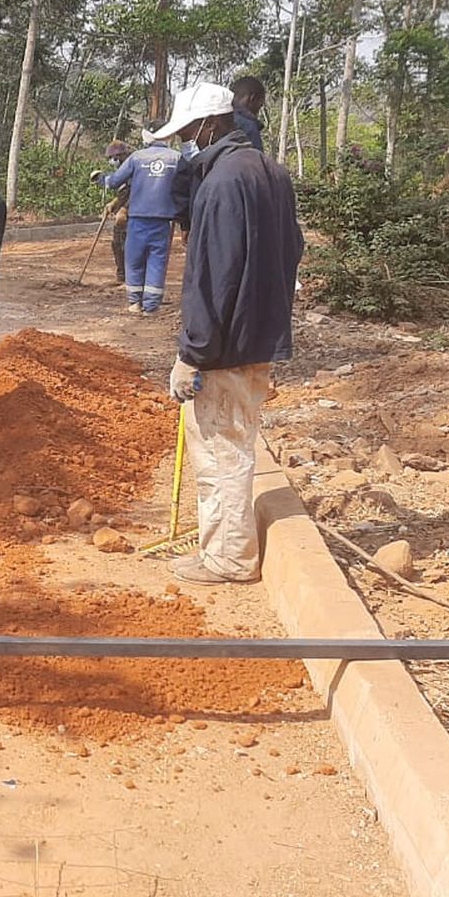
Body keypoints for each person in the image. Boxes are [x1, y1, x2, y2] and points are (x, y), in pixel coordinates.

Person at [151, 82, 303, 585]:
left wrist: (191, 354)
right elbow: (291, 250)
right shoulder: (271, 171)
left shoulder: (220, 183)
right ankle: (222, 550)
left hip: (224, 347)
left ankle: (228, 559)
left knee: (220, 449)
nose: (187, 141)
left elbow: (211, 277)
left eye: (190, 131)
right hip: (258, 333)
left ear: (211, 125)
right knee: (235, 442)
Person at [92, 124, 183, 314]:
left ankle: (135, 302)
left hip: (138, 219)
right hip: (163, 221)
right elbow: (186, 188)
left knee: (134, 259)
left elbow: (113, 181)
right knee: (157, 261)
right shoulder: (177, 158)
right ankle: (151, 306)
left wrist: (101, 179)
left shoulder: (136, 158)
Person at [101, 141, 133, 285]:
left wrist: (125, 209)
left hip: (135, 211)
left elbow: (136, 191)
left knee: (128, 244)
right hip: (124, 209)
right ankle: (122, 275)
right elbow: (124, 191)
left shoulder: (133, 166)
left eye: (113, 158)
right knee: (117, 243)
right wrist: (114, 203)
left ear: (120, 156)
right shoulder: (123, 169)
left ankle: (131, 277)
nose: (111, 161)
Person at [230, 75, 266, 152]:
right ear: (252, 98)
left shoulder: (217, 120)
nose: (258, 112)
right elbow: (255, 161)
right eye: (260, 105)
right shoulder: (248, 126)